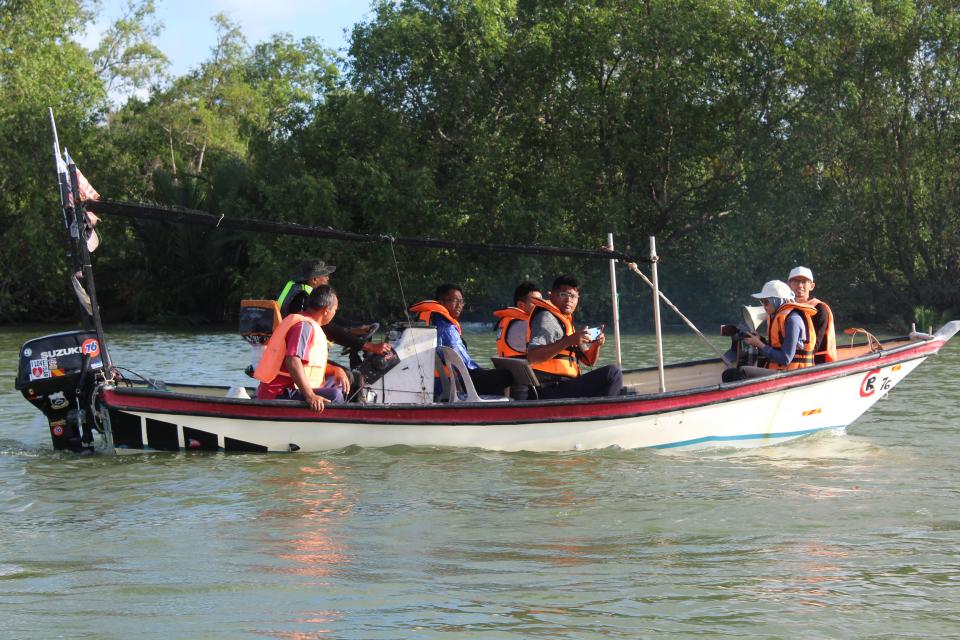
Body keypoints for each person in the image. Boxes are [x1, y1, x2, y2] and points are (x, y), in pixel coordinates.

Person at [525, 275, 623, 399]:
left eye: (573, 296)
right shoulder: (546, 317)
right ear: (550, 296)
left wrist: (595, 345)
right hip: (549, 388)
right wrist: (568, 341)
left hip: (564, 385)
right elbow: (533, 357)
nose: (569, 300)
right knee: (613, 373)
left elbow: (589, 361)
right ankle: (604, 414)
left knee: (618, 385)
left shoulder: (566, 322)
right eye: (563, 295)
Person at [255, 285, 349, 412]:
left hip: (291, 388)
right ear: (326, 310)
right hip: (279, 392)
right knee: (335, 396)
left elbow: (310, 365)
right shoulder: (303, 326)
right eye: (335, 310)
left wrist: (335, 370)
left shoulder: (306, 323)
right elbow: (292, 360)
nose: (334, 313)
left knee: (339, 383)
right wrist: (310, 396)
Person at [278, 259, 391, 364]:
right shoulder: (302, 299)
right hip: (298, 354)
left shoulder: (303, 294)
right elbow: (328, 329)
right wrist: (368, 346)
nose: (328, 278)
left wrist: (352, 331)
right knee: (349, 377)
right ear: (314, 279)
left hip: (299, 351)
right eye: (325, 275)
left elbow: (328, 321)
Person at [410, 284, 514, 397]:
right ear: (441, 303)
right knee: (505, 375)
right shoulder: (446, 327)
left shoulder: (429, 322)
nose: (459, 305)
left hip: (435, 380)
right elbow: (463, 364)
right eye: (454, 300)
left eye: (461, 301)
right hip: (457, 381)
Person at [743, 280, 817, 371]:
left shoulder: (793, 319)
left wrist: (759, 344)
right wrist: (760, 340)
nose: (764, 306)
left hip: (793, 374)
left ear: (777, 301)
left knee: (740, 373)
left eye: (766, 302)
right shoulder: (777, 316)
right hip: (779, 371)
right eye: (762, 302)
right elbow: (777, 349)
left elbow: (785, 359)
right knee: (734, 373)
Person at [787, 266, 837, 364]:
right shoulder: (785, 308)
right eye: (795, 281)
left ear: (812, 286)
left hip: (816, 367)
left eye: (804, 281)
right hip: (790, 362)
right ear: (788, 285)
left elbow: (813, 347)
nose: (800, 285)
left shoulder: (820, 309)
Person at [493, 281, 542, 357]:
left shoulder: (507, 321)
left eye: (541, 302)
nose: (541, 306)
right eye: (535, 303)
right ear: (521, 305)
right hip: (522, 368)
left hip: (509, 365)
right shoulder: (523, 326)